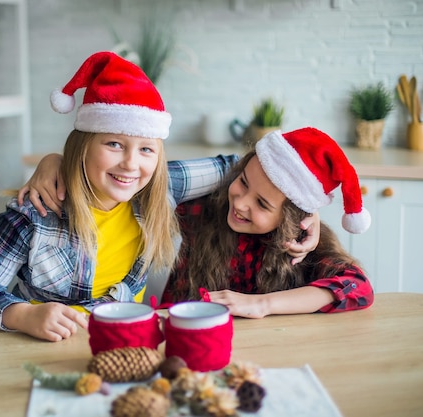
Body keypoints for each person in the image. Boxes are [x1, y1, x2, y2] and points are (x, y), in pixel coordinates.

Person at [0, 51, 240, 342]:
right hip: (41, 345)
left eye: (146, 149)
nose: (131, 164)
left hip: (122, 343)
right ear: (84, 147)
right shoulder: (36, 212)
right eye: (114, 144)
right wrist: (23, 315)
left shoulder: (158, 188)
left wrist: (287, 215)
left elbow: (240, 167)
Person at [19, 127, 373, 318]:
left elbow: (356, 287)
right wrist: (58, 162)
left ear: (292, 220)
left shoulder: (299, 245)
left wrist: (262, 304)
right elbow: (136, 181)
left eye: (262, 204)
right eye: (243, 182)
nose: (241, 201)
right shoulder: (203, 209)